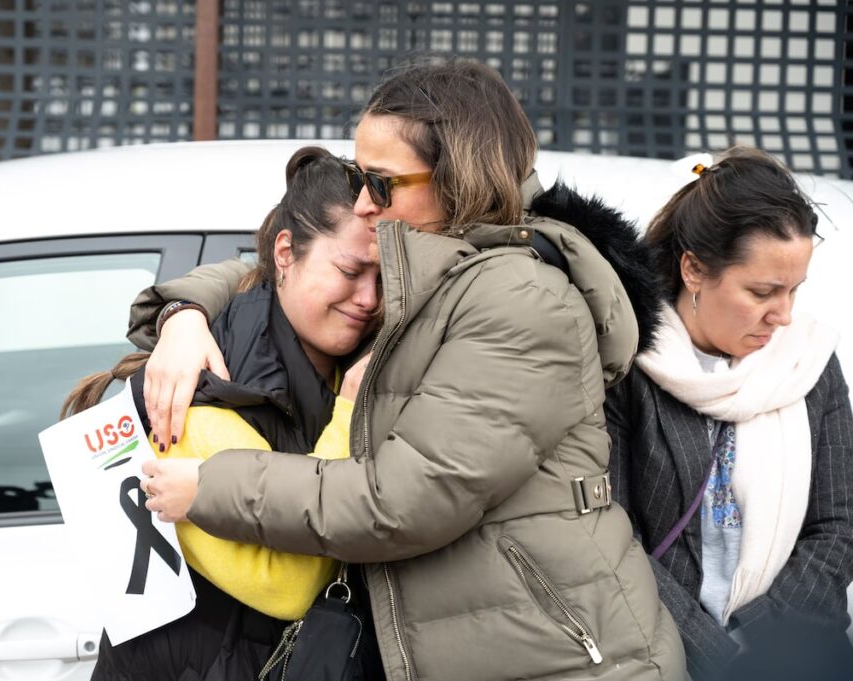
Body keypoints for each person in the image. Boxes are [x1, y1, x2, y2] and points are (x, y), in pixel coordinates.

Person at [130, 57, 685, 681]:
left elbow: (405, 500)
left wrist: (208, 488)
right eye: (359, 177)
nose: (365, 203)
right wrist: (184, 312)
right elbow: (287, 268)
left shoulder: (518, 298)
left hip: (555, 657)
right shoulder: (445, 274)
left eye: (382, 182)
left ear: (457, 178)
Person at [62, 146, 385, 681]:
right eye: (351, 271)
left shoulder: (333, 360)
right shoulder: (193, 397)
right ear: (285, 253)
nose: (369, 298)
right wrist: (353, 406)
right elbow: (290, 583)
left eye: (384, 276)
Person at [604, 147, 853, 681]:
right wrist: (712, 653)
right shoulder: (626, 366)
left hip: (795, 655)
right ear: (693, 268)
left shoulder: (808, 361)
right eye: (763, 291)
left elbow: (838, 524)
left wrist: (762, 639)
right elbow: (608, 533)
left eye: (794, 290)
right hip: (659, 657)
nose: (783, 315)